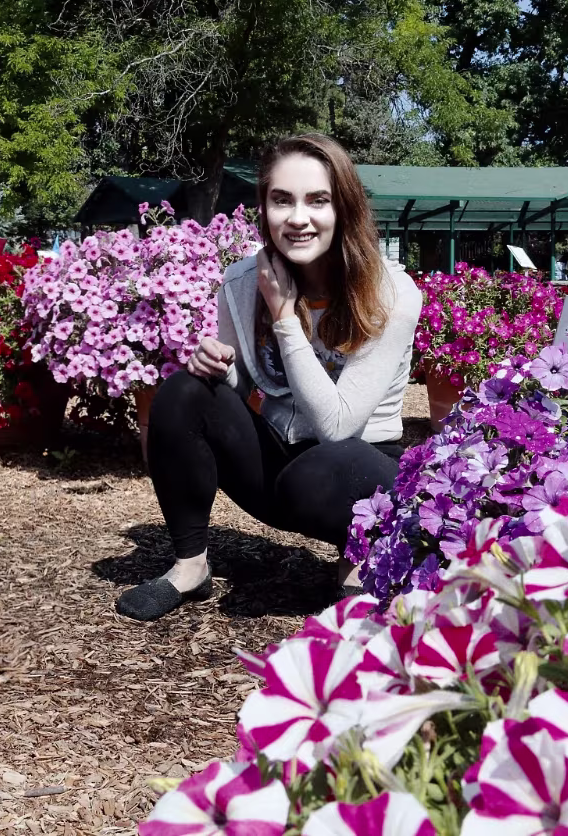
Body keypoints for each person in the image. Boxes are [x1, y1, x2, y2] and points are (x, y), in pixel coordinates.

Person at [115, 133, 422, 621]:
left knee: (327, 464)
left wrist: (284, 316)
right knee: (183, 391)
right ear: (264, 207)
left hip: (358, 472)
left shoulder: (391, 293)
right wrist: (221, 369)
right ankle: (191, 566)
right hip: (280, 461)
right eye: (282, 200)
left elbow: (338, 427)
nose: (298, 218)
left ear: (344, 207)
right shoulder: (241, 283)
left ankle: (361, 552)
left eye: (317, 200)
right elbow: (247, 389)